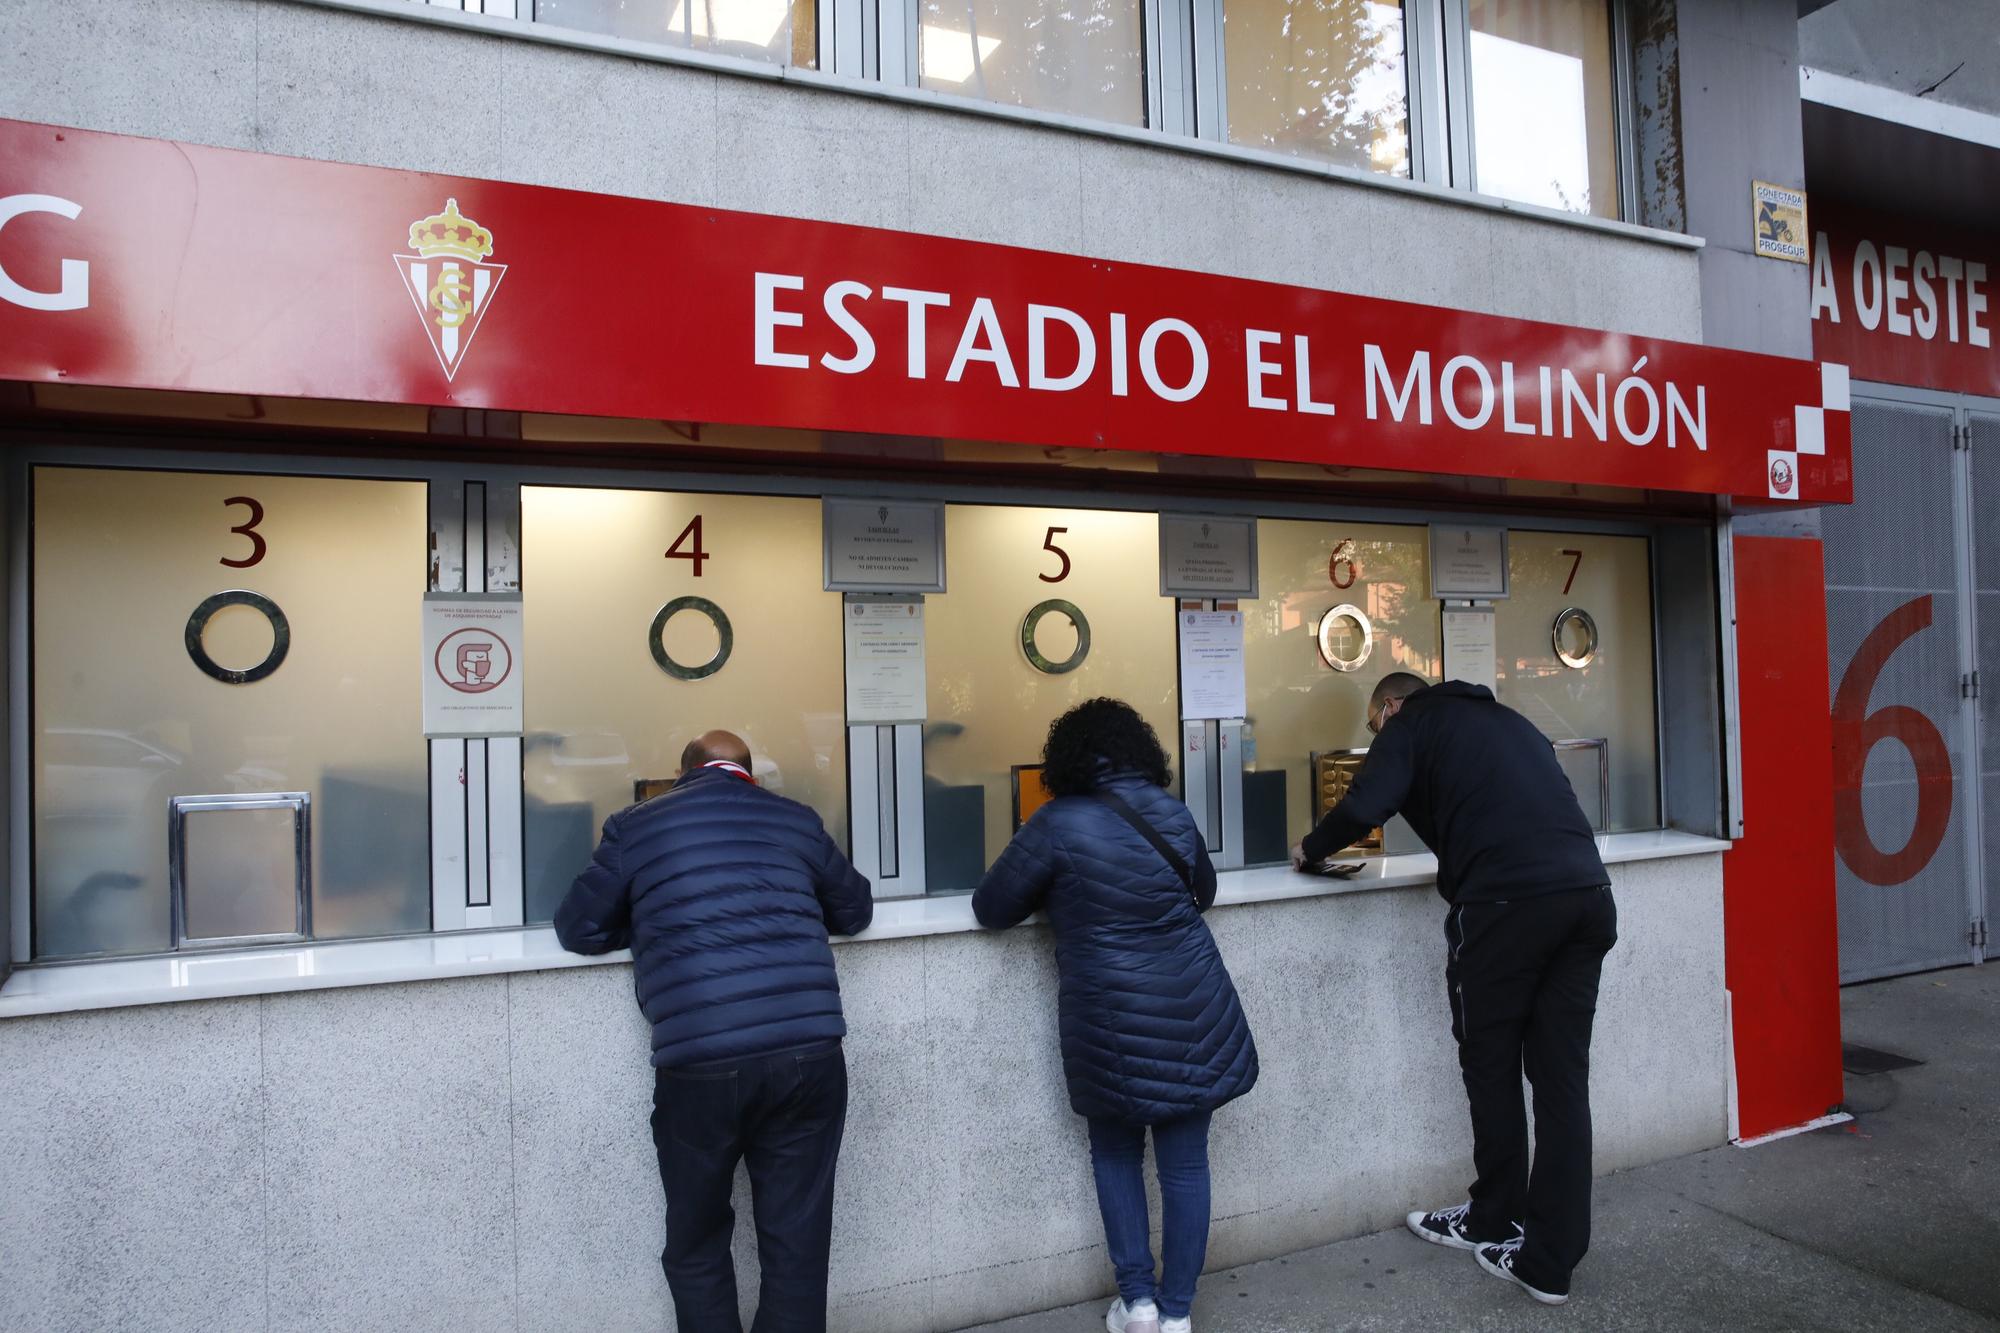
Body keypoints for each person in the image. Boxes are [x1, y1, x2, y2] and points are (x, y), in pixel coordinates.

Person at [1290, 673, 1616, 1307]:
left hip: (1504, 906)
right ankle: (1548, 1260)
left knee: (1490, 1065)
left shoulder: (1410, 724)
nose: (1376, 736)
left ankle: (1494, 1218)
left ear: (1390, 706)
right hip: (1588, 898)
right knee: (1561, 1083)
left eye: (1373, 725)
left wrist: (1311, 847)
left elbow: (1364, 807)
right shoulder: (1514, 722)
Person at [555, 729, 873, 1333]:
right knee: (797, 1244)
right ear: (750, 773)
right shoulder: (797, 820)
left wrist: (649, 922)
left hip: (701, 1061)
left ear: (684, 773)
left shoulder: (636, 826)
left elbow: (579, 928)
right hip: (809, 1056)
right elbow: (855, 910)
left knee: (697, 1240)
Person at [974, 698, 1258, 1333]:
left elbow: (992, 908)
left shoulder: (1055, 823)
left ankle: (1139, 1304)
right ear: (1140, 751)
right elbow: (1204, 893)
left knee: (1115, 1153)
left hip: (1110, 1018)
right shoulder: (1172, 812)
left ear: (1067, 757)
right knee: (1186, 1165)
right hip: (1195, 1007)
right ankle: (1178, 1312)